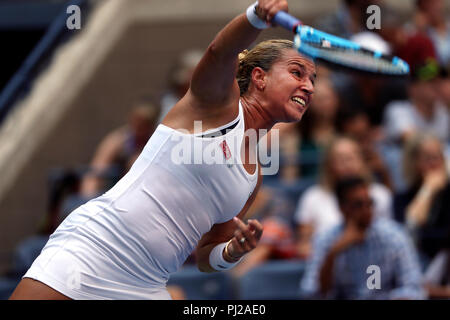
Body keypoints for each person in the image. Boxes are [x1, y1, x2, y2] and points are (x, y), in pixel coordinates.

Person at [10, 0, 316, 300]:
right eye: (297, 73)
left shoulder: (254, 176)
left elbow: (209, 255)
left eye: (312, 80)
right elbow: (220, 52)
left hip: (148, 284)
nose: (309, 87)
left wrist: (233, 251)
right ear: (259, 78)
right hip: (93, 250)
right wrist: (256, 16)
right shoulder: (217, 104)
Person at [299, 176, 425, 300]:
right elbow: (311, 292)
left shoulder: (394, 236)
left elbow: (413, 287)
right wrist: (333, 254)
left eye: (369, 203)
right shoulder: (326, 239)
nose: (366, 210)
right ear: (342, 208)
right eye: (358, 205)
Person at [294, 136, 392, 259]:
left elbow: (387, 236)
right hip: (327, 264)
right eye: (340, 159)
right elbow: (304, 246)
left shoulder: (380, 194)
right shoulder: (312, 197)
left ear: (362, 160)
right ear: (329, 165)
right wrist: (331, 253)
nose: (347, 164)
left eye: (351, 158)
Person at [80, 100, 161, 198]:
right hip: (113, 195)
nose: (139, 126)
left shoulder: (157, 143)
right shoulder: (117, 140)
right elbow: (95, 173)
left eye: (145, 123)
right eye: (137, 120)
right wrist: (87, 200)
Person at [393, 133, 450, 260]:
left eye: (438, 157)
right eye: (428, 158)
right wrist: (428, 190)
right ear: (414, 162)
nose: (435, 163)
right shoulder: (402, 198)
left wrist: (424, 236)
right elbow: (408, 231)